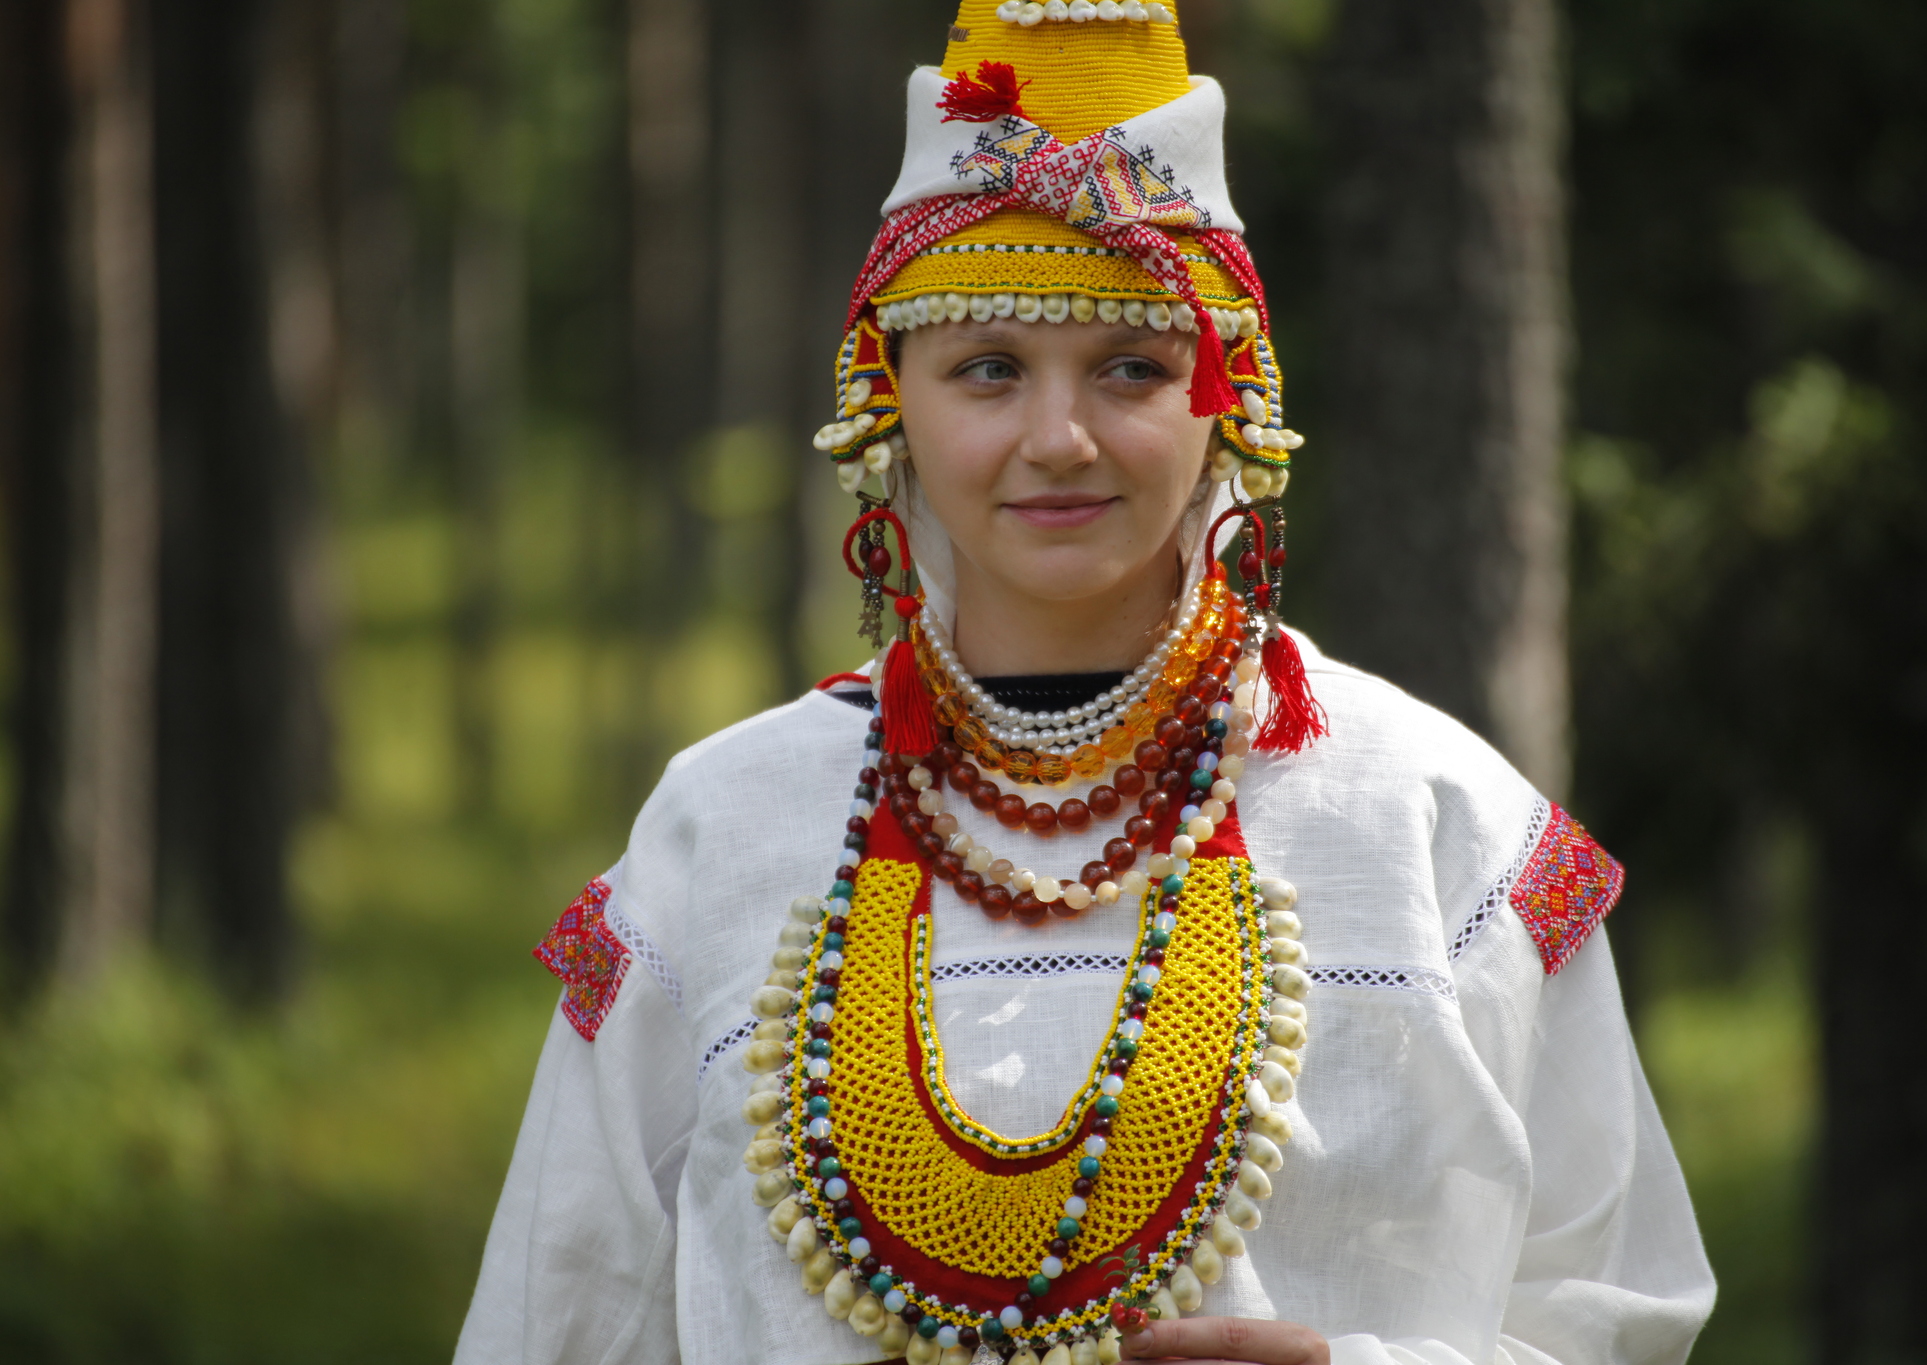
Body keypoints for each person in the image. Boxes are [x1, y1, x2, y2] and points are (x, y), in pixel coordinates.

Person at [454, 6, 1716, 1364]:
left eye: (1131, 368)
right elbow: (555, 1320)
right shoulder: (718, 831)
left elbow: (1623, 1312)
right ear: (889, 402)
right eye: (988, 370)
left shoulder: (1435, 824)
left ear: (1228, 394)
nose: (1058, 439)